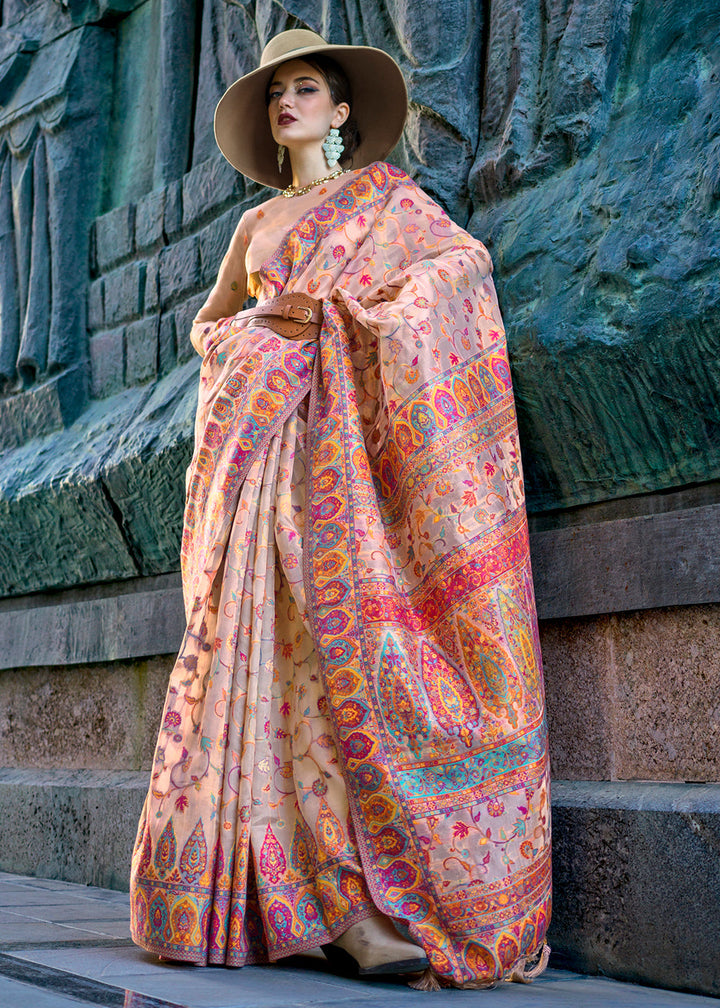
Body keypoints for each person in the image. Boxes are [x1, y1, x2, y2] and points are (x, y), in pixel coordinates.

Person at [129, 29, 551, 991]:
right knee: (265, 661)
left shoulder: (391, 205)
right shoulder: (257, 231)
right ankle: (287, 896)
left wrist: (352, 322)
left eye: (306, 88)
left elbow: (458, 271)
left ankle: (354, 900)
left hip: (346, 465)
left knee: (334, 652)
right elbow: (209, 330)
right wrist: (262, 336)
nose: (290, 104)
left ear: (343, 108)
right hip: (265, 460)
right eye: (278, 92)